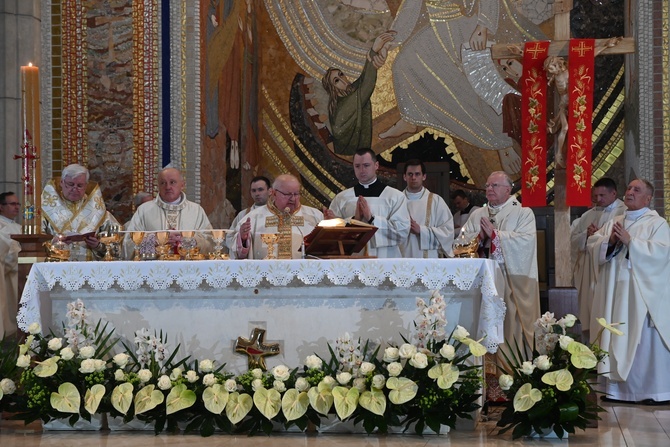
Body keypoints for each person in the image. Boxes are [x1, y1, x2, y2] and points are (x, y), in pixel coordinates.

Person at [587, 179, 670, 404]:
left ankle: (651, 392)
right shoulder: (615, 221)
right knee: (615, 335)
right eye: (629, 188)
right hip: (615, 293)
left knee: (641, 340)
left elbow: (662, 254)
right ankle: (617, 391)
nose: (630, 192)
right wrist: (610, 241)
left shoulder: (657, 224)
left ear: (648, 198)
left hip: (640, 296)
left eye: (637, 190)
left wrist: (632, 243)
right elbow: (594, 244)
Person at [461, 171, 540, 351]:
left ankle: (509, 369)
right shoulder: (477, 214)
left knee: (508, 321)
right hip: (481, 279)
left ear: (508, 189)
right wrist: (478, 239)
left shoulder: (523, 213)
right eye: (488, 185)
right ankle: (483, 368)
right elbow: (461, 243)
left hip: (510, 280)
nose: (489, 188)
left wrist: (495, 236)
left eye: (494, 185)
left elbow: (526, 243)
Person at [321, 30, 395, 155]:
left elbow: (362, 79)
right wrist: (374, 51)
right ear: (333, 89)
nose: (343, 80)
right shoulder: (342, 107)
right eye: (337, 81)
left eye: (341, 75)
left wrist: (378, 53)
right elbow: (366, 86)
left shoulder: (348, 92)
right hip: (350, 155)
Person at [326, 148, 410, 258]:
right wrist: (353, 220)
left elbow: (402, 231)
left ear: (376, 165)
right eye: (357, 166)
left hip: (385, 260)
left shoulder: (395, 196)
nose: (362, 170)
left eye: (366, 165)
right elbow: (333, 237)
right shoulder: (342, 198)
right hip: (353, 260)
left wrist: (371, 219)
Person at [570, 177, 625, 337]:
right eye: (596, 196)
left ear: (613, 193)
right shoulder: (588, 215)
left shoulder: (623, 212)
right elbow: (572, 240)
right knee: (588, 309)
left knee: (607, 308)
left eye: (602, 195)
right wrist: (586, 235)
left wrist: (601, 237)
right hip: (588, 269)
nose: (598, 199)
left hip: (608, 268)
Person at [124, 167, 213, 256]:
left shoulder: (196, 210)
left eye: (172, 182)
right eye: (163, 183)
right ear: (158, 186)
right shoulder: (144, 210)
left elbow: (210, 242)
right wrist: (154, 240)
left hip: (187, 267)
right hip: (154, 267)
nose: (168, 187)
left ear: (182, 185)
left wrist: (189, 240)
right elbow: (128, 243)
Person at [41, 164, 120, 261]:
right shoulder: (46, 211)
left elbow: (117, 247)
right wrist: (54, 242)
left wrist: (98, 246)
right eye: (70, 184)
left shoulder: (100, 213)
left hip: (90, 270)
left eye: (80, 185)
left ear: (86, 186)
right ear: (61, 182)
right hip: (56, 267)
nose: (75, 189)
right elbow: (34, 243)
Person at [234, 174, 323, 259]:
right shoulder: (254, 218)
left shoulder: (315, 216)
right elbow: (236, 251)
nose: (292, 199)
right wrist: (242, 239)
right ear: (274, 193)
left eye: (296, 194)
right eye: (287, 194)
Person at [398, 160, 454, 258]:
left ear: (424, 176)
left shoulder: (436, 201)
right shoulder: (396, 201)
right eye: (410, 174)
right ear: (404, 177)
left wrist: (421, 230)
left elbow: (448, 233)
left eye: (417, 174)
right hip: (401, 261)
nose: (413, 178)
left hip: (429, 263)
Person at [226, 176, 272, 257]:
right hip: (253, 263)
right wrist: (241, 237)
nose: (257, 193)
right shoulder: (243, 215)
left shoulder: (277, 214)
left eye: (260, 190)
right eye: (253, 191)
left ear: (270, 191)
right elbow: (230, 238)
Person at [0, 192, 22, 335]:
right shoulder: (1, 227)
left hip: (20, 273)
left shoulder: (19, 226)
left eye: (17, 204)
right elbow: (6, 255)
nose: (17, 207)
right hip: (8, 276)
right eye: (12, 204)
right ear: (1, 207)